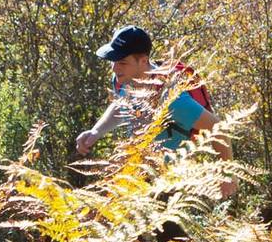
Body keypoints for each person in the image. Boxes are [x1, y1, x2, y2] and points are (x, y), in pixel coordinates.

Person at [75, 25, 219, 156]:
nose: (114, 68)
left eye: (122, 63)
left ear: (143, 61)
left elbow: (217, 128)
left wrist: (228, 180)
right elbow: (122, 104)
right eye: (113, 61)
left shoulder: (170, 97)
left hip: (174, 178)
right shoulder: (123, 81)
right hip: (141, 174)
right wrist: (96, 131)